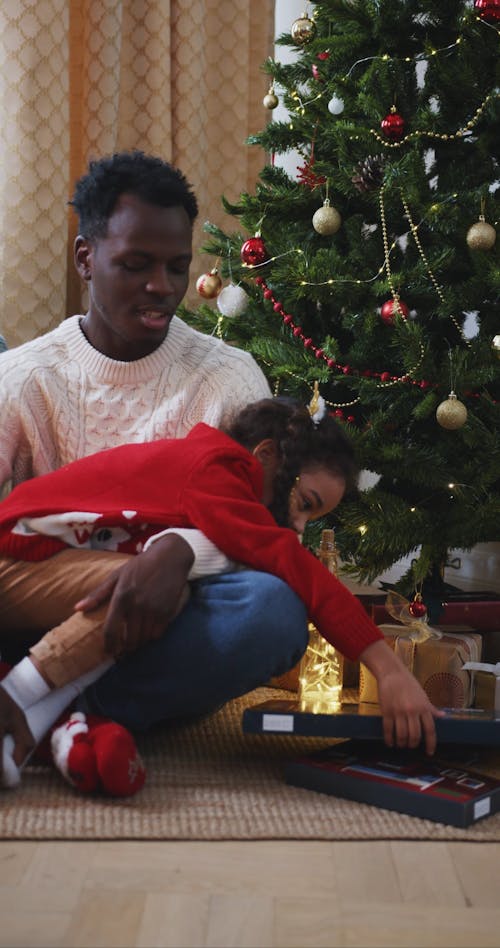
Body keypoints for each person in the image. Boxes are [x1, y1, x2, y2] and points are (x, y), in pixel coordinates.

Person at [0, 150, 312, 767]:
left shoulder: (228, 377)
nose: (162, 288)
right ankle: (67, 715)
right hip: (41, 610)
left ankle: (45, 710)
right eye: (136, 265)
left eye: (177, 267)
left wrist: (177, 551)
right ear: (86, 259)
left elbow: (261, 535)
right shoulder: (21, 379)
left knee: (272, 611)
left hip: (170, 619)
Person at [0, 396, 443, 787]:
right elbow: (293, 564)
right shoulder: (217, 468)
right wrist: (388, 668)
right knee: (157, 593)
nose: (300, 527)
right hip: (16, 564)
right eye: (305, 504)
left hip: (53, 579)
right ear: (265, 456)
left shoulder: (222, 493)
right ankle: (16, 696)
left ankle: (44, 719)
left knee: (169, 595)